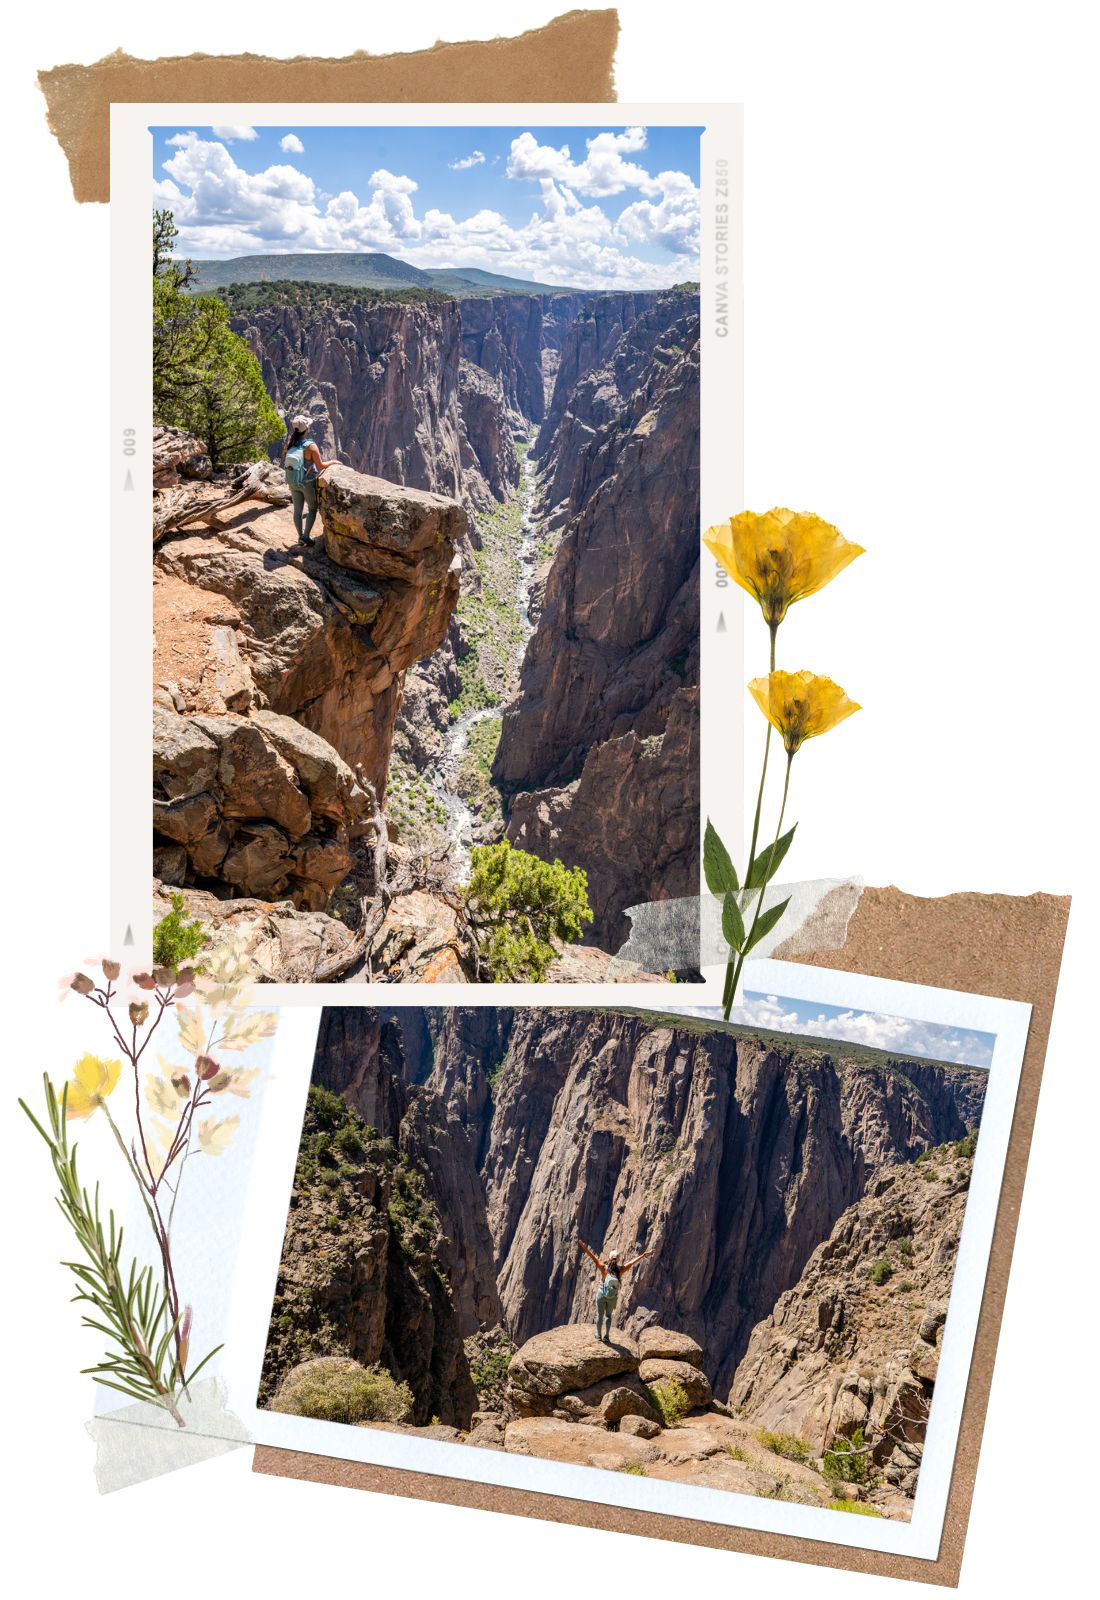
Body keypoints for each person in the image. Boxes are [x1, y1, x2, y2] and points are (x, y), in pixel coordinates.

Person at [578, 1238, 651, 1342]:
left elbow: (592, 1257)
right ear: (618, 1259)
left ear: (610, 1257)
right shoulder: (621, 1269)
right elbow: (632, 1262)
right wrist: (643, 1255)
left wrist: (584, 1247)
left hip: (601, 1294)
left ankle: (598, 1334)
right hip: (612, 1297)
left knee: (600, 1315)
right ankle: (606, 1336)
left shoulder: (603, 1267)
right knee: (608, 1316)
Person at [282, 414, 338, 547]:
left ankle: (300, 536)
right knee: (312, 508)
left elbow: (286, 463)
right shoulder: (310, 446)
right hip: (306, 483)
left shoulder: (289, 445)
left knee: (297, 510)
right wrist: (334, 462)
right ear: (306, 429)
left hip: (293, 481)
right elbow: (320, 466)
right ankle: (306, 536)